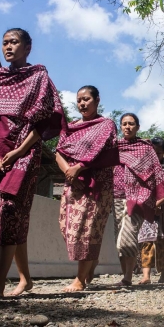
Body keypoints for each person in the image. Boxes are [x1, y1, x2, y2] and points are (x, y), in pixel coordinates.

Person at [0, 29, 66, 298]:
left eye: (14, 42)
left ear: (28, 47)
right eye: (4, 42)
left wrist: (19, 151)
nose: (8, 47)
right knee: (14, 217)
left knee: (10, 210)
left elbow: (45, 122)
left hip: (25, 153)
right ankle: (26, 279)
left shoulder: (39, 76)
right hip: (0, 155)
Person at [56, 85, 119, 292]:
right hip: (73, 184)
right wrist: (70, 172)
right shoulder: (71, 126)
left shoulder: (106, 125)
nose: (82, 103)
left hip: (97, 186)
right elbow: (59, 152)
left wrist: (80, 167)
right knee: (68, 227)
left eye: (86, 99)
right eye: (79, 100)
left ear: (97, 100)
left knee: (87, 230)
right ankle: (90, 263)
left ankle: (80, 279)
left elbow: (102, 152)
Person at [112, 114, 164, 286]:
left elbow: (156, 173)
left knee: (127, 237)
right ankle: (126, 276)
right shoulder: (115, 147)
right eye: (124, 124)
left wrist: (151, 197)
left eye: (131, 124)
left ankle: (127, 277)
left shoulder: (145, 149)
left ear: (138, 127)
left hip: (137, 198)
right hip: (116, 195)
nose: (127, 127)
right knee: (118, 238)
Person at [140, 137, 164, 284]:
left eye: (158, 152)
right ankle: (146, 276)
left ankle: (163, 275)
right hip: (148, 207)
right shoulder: (144, 167)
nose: (155, 155)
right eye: (152, 152)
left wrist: (157, 204)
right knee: (146, 239)